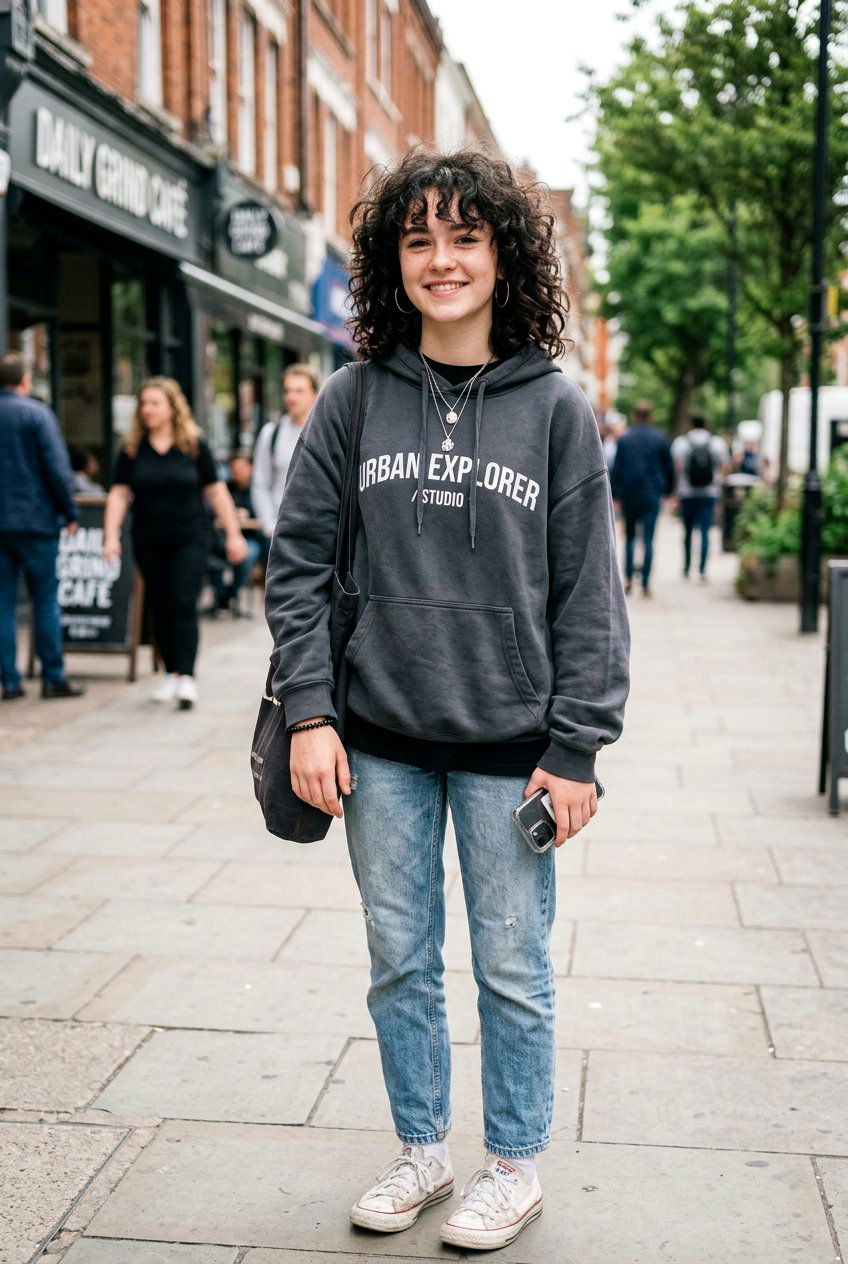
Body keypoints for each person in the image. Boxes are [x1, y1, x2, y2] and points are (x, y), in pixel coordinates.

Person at [264, 149, 630, 1252]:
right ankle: (422, 1149)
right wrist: (312, 713)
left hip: (508, 747)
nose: (440, 259)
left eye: (464, 237)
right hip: (374, 738)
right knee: (398, 958)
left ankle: (510, 1163)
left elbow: (587, 595)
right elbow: (298, 564)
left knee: (512, 968)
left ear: (503, 255)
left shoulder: (555, 410)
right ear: (392, 262)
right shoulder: (353, 396)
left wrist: (576, 748)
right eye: (417, 239)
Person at [103, 377, 247, 709]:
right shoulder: (132, 448)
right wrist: (110, 535)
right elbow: (120, 493)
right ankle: (170, 672)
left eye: (155, 403)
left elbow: (215, 490)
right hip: (149, 538)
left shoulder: (194, 445)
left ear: (172, 407)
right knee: (160, 604)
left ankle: (187, 677)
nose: (148, 409)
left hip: (190, 537)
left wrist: (233, 534)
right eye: (144, 403)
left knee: (183, 601)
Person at [0, 352, 86, 701]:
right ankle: (53, 677)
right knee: (45, 599)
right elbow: (56, 468)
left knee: (3, 604)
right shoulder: (36, 414)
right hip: (36, 524)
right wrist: (70, 513)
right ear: (24, 381)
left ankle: (10, 681)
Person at [610, 400, 674, 597]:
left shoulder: (624, 440)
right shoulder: (661, 438)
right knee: (648, 538)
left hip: (630, 493)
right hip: (652, 493)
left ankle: (628, 579)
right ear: (651, 417)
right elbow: (669, 468)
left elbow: (616, 469)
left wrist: (614, 493)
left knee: (629, 537)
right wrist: (668, 491)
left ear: (634, 416)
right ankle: (646, 583)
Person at [251, 363, 320, 539]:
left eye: (299, 391)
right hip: (281, 533)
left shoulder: (325, 433)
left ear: (314, 394)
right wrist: (269, 526)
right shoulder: (271, 433)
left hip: (319, 532)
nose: (291, 397)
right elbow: (260, 483)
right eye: (287, 391)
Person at [671, 413, 731, 582]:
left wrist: (675, 491)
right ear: (706, 424)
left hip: (687, 493)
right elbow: (726, 466)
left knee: (688, 531)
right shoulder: (716, 443)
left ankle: (687, 567)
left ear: (690, 424)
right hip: (709, 493)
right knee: (705, 531)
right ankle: (703, 570)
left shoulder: (682, 443)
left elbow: (676, 468)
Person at [205, 454, 265, 618]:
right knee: (212, 557)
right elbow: (213, 510)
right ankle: (222, 595)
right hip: (224, 537)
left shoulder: (257, 490)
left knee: (247, 555)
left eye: (241, 469)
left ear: (250, 469)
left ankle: (229, 595)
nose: (237, 473)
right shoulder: (226, 488)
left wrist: (246, 514)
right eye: (234, 469)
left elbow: (263, 514)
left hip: (251, 536)